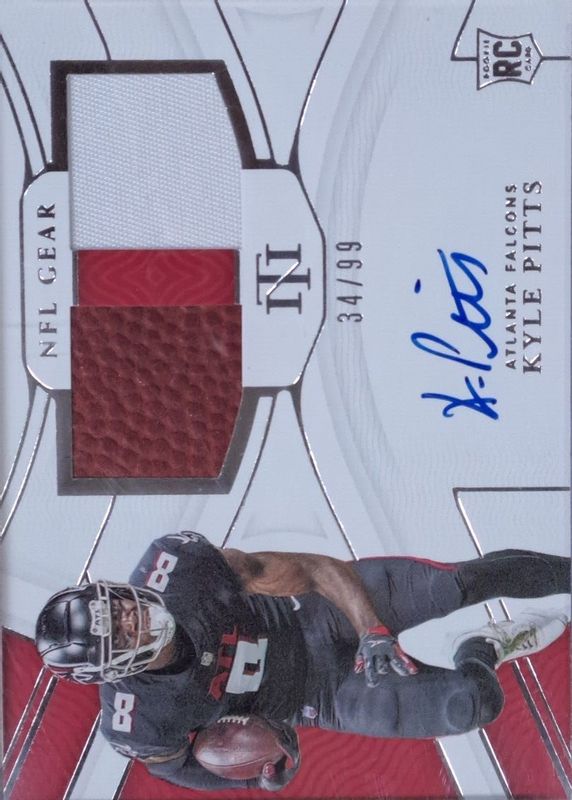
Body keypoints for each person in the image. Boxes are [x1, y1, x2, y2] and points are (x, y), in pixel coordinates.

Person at [35, 531, 570, 792]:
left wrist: (372, 630)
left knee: (458, 583)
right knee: (470, 705)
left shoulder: (178, 568)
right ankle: (482, 648)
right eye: (120, 632)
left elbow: (314, 570)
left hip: (316, 614)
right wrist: (256, 777)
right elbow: (181, 769)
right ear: (113, 670)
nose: (132, 614)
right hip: (318, 696)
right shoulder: (137, 721)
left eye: (117, 606)